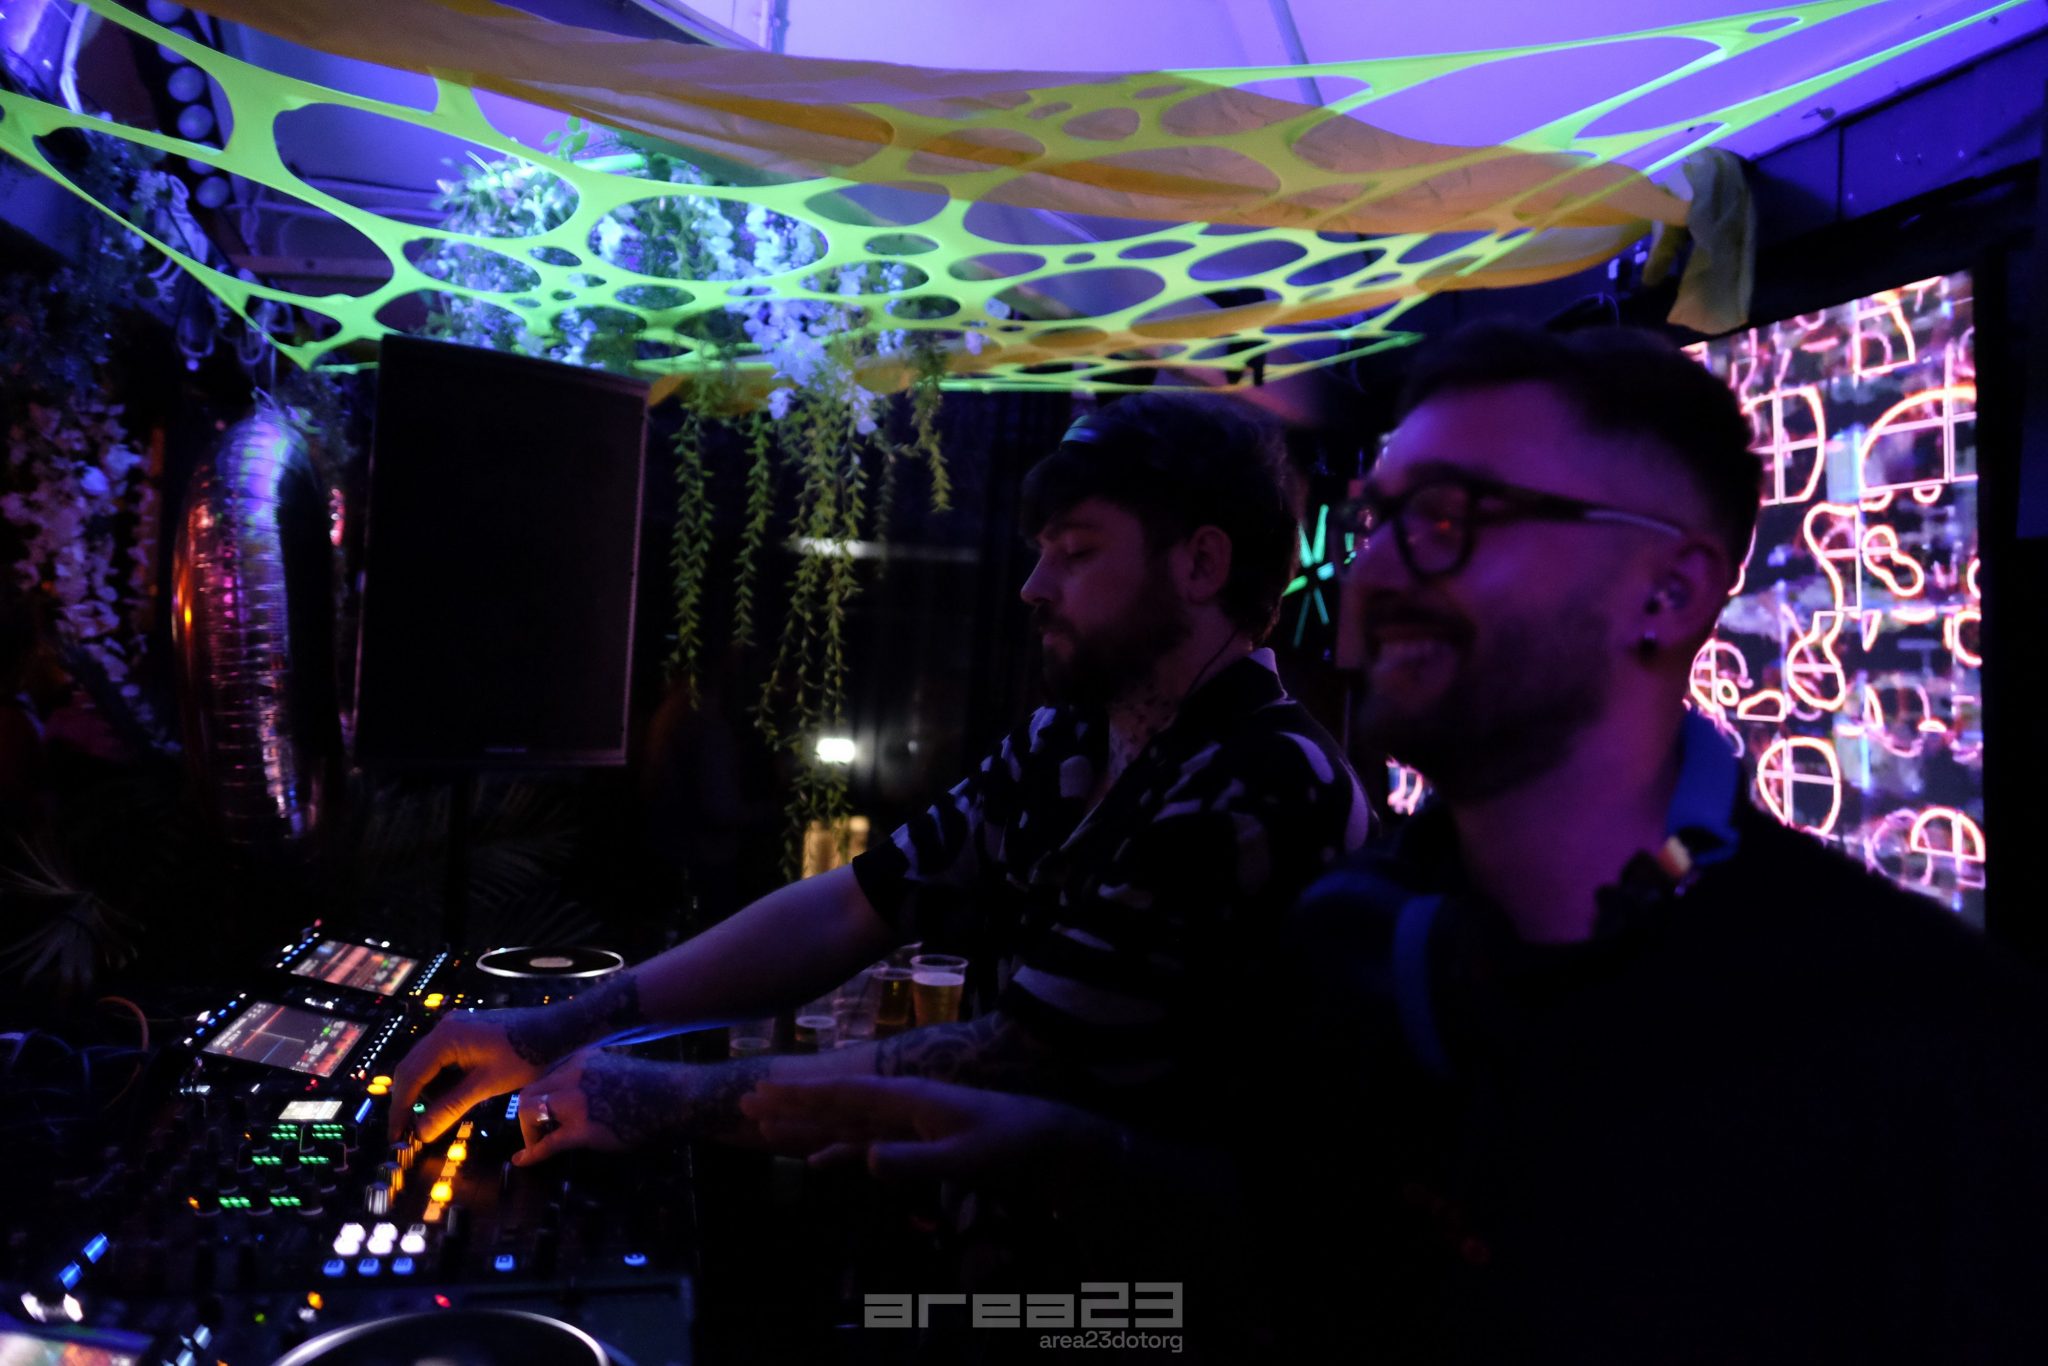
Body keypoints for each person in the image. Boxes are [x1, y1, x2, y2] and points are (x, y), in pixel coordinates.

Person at [1268, 319, 2048, 1362]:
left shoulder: (1919, 1045)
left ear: (1669, 593)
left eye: (1446, 517)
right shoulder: (1342, 950)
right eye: (1377, 520)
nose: (1371, 575)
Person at [388, 390, 1370, 1161]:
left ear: (1201, 565)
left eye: (1075, 552)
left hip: (1143, 1316)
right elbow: (855, 905)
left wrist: (663, 1100)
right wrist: (549, 1032)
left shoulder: (1264, 782)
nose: (1034, 587)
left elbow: (1020, 1057)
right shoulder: (1066, 742)